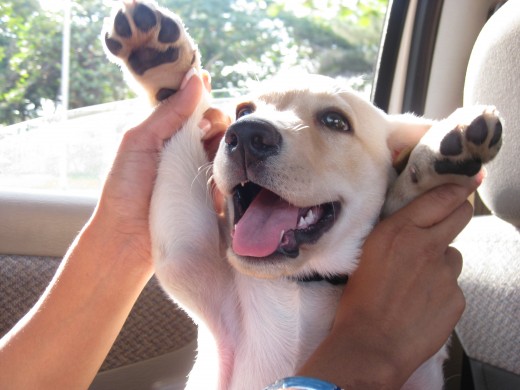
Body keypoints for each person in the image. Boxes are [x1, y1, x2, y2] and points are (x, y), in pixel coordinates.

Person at [0, 68, 477, 390]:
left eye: (333, 120)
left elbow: (179, 254)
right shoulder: (397, 323)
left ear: (395, 160)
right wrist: (370, 348)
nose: (251, 131)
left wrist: (178, 108)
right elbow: (183, 253)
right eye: (246, 116)